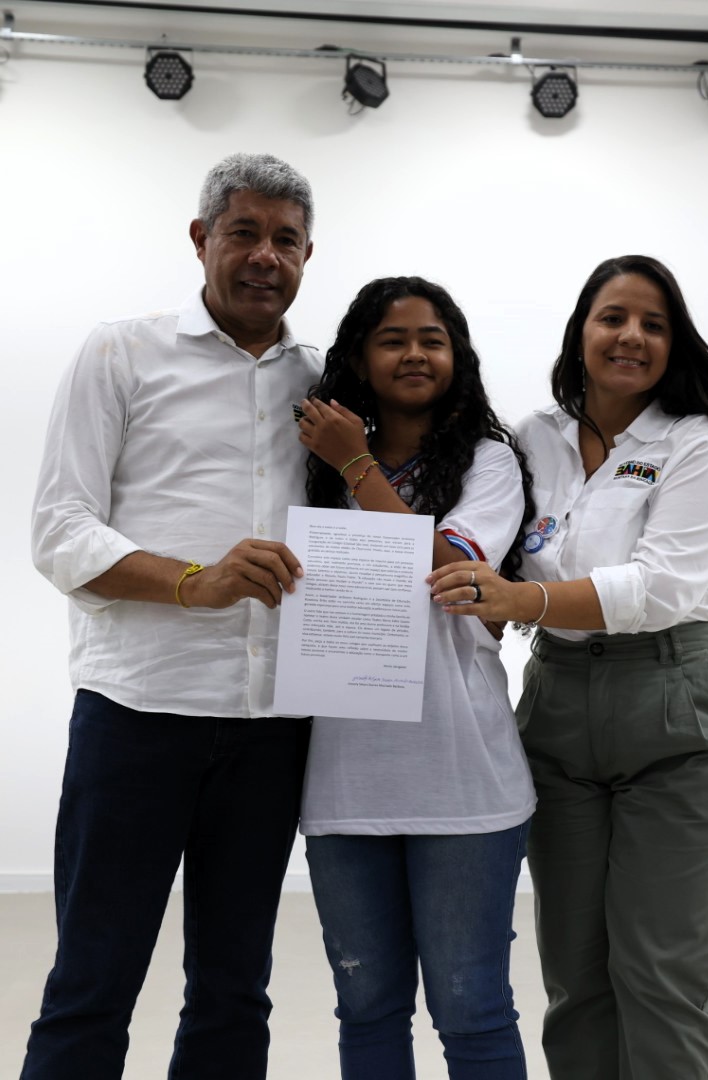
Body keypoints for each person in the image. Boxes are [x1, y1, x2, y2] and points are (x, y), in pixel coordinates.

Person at [429, 255, 708, 1080]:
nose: (631, 337)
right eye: (613, 317)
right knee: (576, 981)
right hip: (558, 706)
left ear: (675, 344)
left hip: (678, 706)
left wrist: (523, 600)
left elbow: (662, 587)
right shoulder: (531, 438)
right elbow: (480, 548)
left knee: (660, 979)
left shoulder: (696, 442)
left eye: (654, 324)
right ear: (581, 330)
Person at [23, 153, 321, 1080]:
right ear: (201, 239)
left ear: (308, 255)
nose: (265, 256)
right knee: (92, 982)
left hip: (272, 728)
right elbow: (60, 530)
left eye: (285, 240)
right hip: (136, 718)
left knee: (234, 991)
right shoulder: (121, 352)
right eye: (245, 232)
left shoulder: (325, 383)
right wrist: (198, 581)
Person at [295, 275, 537, 1080]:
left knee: (472, 1010)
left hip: (464, 779)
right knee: (366, 1007)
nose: (415, 353)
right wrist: (344, 462)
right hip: (343, 780)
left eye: (433, 339)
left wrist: (355, 463)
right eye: (392, 339)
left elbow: (451, 577)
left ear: (457, 355)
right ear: (359, 359)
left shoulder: (489, 462)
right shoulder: (310, 468)